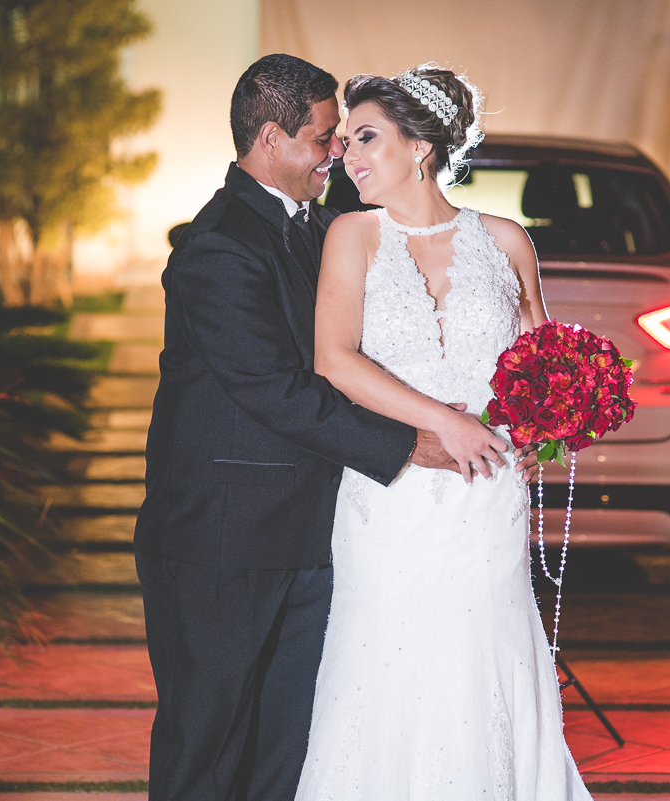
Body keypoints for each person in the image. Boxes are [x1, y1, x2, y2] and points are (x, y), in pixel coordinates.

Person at [134, 54, 516, 801]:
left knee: (286, 752)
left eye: (343, 137)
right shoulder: (217, 248)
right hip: (223, 542)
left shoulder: (323, 220)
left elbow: (406, 199)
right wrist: (418, 444)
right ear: (271, 139)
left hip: (312, 534)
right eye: (323, 138)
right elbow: (278, 391)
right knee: (207, 749)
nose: (336, 152)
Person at [294, 66, 594, 799]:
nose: (347, 156)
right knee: (385, 664)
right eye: (342, 143)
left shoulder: (505, 240)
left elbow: (544, 367)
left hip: (485, 499)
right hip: (390, 500)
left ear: (421, 145)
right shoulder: (352, 236)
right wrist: (444, 421)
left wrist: (545, 434)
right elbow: (333, 359)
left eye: (365, 137)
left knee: (480, 661)